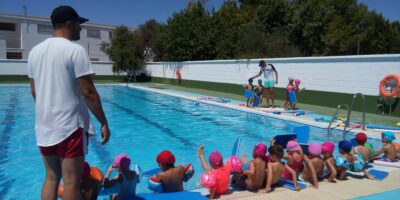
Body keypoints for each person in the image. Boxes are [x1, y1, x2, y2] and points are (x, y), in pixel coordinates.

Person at [27, 5, 110, 200]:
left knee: (51, 178)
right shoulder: (75, 50)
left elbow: (34, 91)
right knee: (72, 182)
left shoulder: (34, 52)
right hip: (70, 128)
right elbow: (88, 91)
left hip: (44, 126)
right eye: (79, 25)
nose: (81, 29)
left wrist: (47, 111)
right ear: (69, 23)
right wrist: (103, 122)